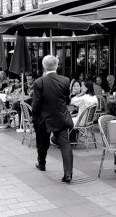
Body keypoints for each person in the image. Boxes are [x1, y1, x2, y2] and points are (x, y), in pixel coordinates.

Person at [32, 55, 74, 183]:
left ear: (44, 66)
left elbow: (36, 104)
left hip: (43, 118)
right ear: (57, 66)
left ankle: (42, 163)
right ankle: (68, 174)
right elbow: (67, 99)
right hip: (60, 117)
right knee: (65, 145)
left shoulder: (39, 82)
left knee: (42, 142)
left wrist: (34, 117)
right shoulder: (66, 80)